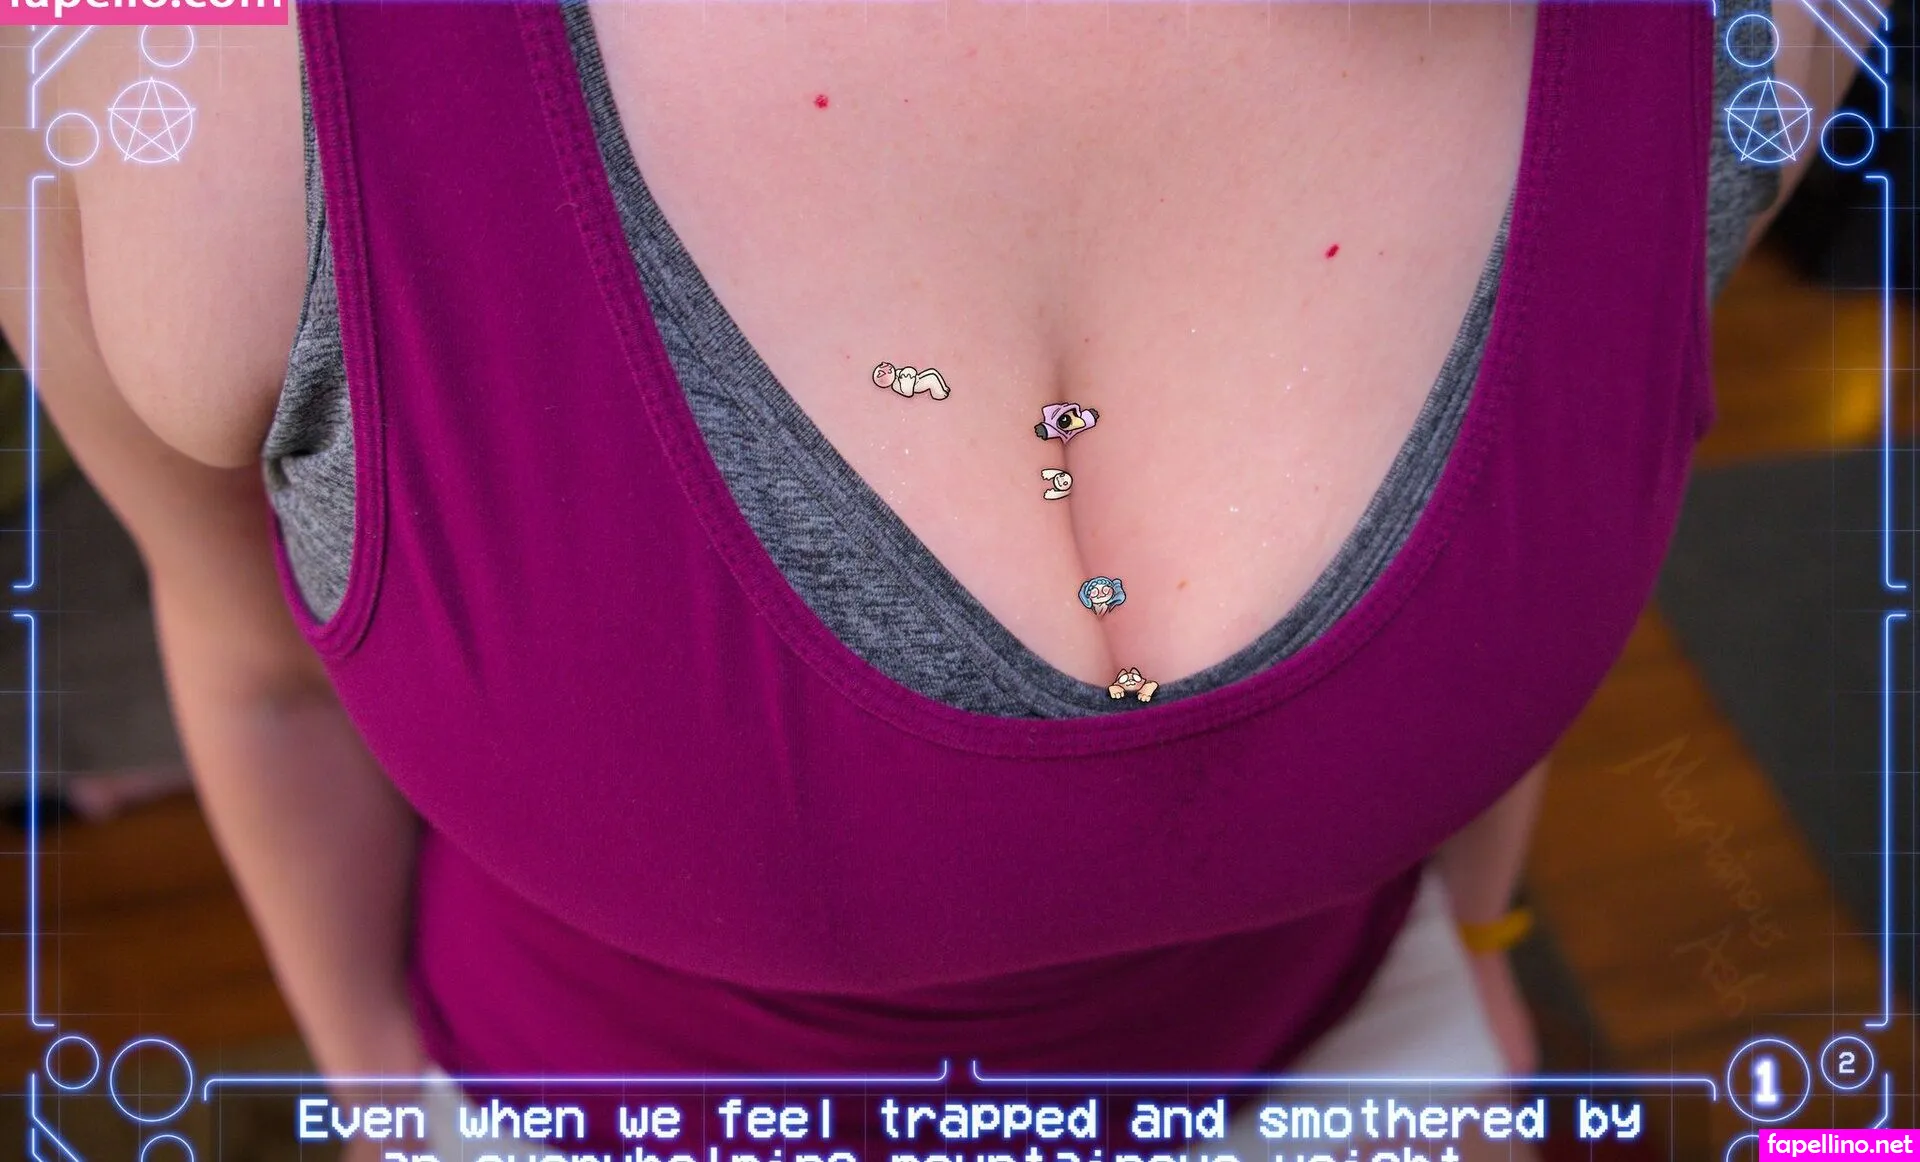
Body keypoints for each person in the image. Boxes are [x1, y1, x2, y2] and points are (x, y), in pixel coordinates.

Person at [0, 1, 1853, 1154]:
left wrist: (1469, 969)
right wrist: (379, 1096)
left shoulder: (1749, 42)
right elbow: (261, 669)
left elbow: (1516, 572)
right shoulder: (176, 70)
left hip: (1349, 1065)